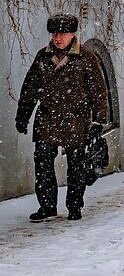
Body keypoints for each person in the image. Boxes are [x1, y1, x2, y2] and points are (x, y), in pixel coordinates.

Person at [16, 14, 109, 222]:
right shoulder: (42, 57)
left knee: (76, 167)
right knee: (43, 165)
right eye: (55, 34)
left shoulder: (86, 58)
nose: (58, 38)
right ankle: (47, 206)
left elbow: (98, 92)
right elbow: (29, 88)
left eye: (62, 34)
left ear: (72, 34)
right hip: (47, 120)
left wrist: (97, 122)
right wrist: (23, 115)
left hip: (77, 121)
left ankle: (74, 206)